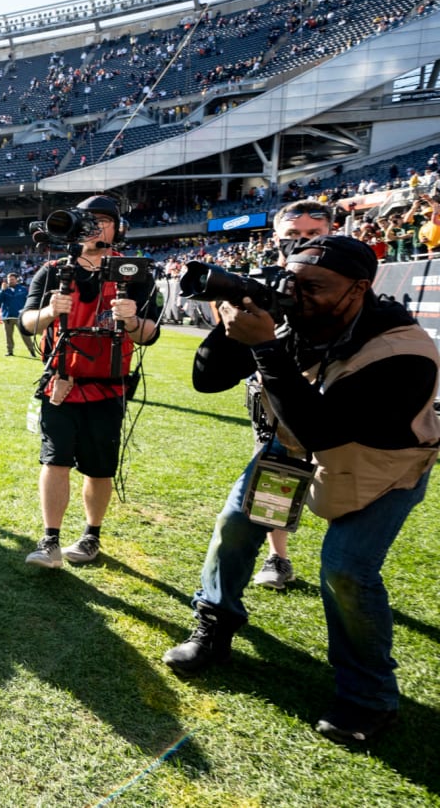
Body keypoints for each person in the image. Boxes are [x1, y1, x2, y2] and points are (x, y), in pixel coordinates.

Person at [162, 235, 439, 745]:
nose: (296, 293)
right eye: (291, 280)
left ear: (359, 289)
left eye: (315, 286)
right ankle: (214, 628)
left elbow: (327, 432)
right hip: (294, 449)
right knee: (236, 525)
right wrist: (232, 334)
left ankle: (369, 697)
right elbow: (207, 381)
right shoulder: (295, 319)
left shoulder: (406, 351)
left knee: (346, 570)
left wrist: (266, 347)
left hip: (381, 463)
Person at [18, 195, 161, 568]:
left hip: (109, 386)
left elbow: (149, 335)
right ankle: (50, 540)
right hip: (60, 384)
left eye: (104, 220)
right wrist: (51, 310)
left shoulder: (135, 271)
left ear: (118, 228)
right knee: (55, 460)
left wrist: (130, 320)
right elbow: (27, 324)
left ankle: (90, 535)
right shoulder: (51, 271)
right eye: (88, 219)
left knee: (99, 468)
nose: (96, 227)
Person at [250, 199, 334, 590]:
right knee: (277, 476)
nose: (302, 242)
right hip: (278, 398)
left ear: (331, 232)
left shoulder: (352, 275)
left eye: (313, 234)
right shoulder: (265, 283)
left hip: (337, 392)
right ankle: (277, 557)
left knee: (345, 478)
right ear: (275, 239)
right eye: (293, 235)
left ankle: (344, 561)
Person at [0, 272, 37, 357]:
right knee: (8, 336)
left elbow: (28, 301)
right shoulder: (4, 289)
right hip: (7, 317)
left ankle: (32, 351)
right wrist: (2, 290)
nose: (11, 281)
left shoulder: (23, 289)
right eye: (9, 279)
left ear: (16, 280)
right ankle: (10, 351)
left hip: (20, 316)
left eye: (12, 279)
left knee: (25, 335)